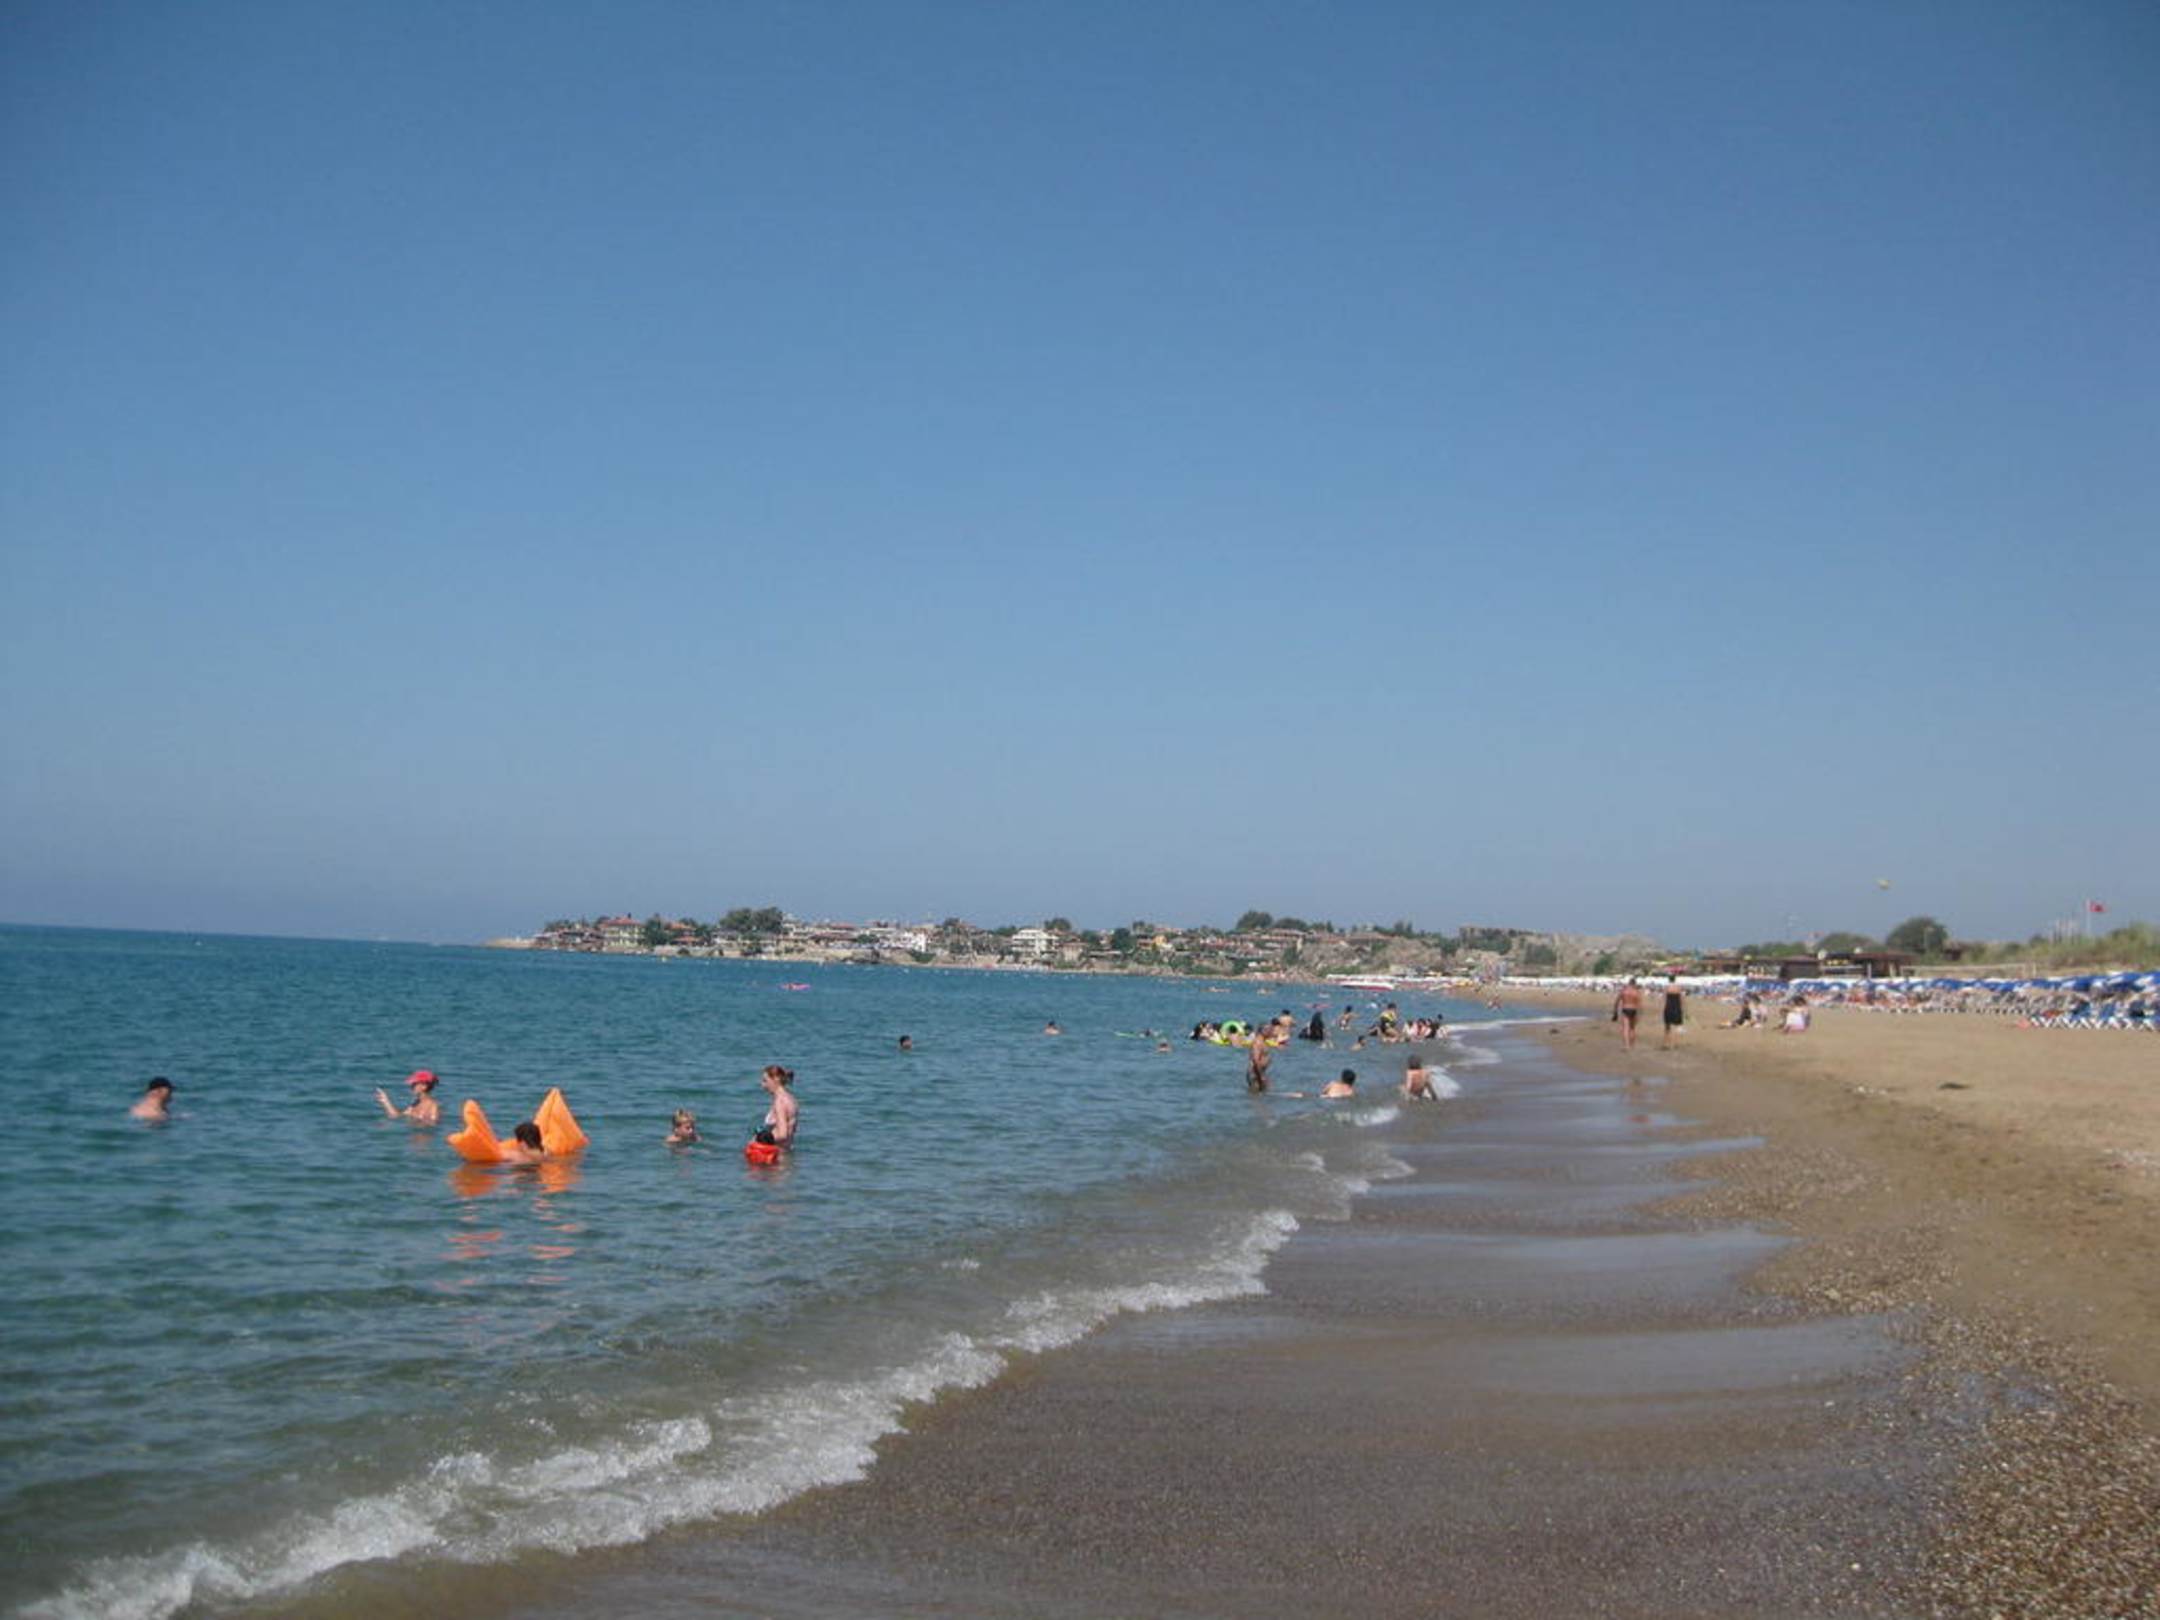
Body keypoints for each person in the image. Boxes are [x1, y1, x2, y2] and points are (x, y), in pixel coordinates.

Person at [375, 1069, 441, 1125]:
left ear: (424, 1086)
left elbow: (434, 1125)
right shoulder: (415, 1104)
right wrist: (386, 1101)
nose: (411, 1086)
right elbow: (396, 1116)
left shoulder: (433, 1106)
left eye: (414, 1084)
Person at [756, 1064, 798, 1146]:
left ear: (776, 1079)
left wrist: (760, 1139)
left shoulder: (780, 1102)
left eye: (765, 1081)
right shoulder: (791, 1099)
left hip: (776, 1152)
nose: (762, 1085)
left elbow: (782, 1135)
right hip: (786, 1150)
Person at [1612, 978, 1644, 1050]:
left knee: (1625, 1029)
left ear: (1629, 983)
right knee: (1632, 1028)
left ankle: (1626, 1046)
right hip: (1634, 1010)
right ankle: (1632, 1045)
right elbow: (1640, 1004)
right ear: (1634, 984)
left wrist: (1615, 1012)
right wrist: (1639, 1014)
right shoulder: (1636, 992)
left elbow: (1616, 1002)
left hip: (1625, 1009)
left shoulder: (1624, 991)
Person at [1660, 975, 1685, 1049]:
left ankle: (1666, 1044)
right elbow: (1681, 998)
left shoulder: (1667, 987)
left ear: (1669, 979)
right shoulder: (1678, 987)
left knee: (1667, 1026)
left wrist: (1662, 1008)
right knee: (1676, 1026)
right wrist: (1682, 1008)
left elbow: (1664, 998)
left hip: (1669, 1007)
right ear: (1675, 979)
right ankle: (1675, 1044)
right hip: (1677, 1007)